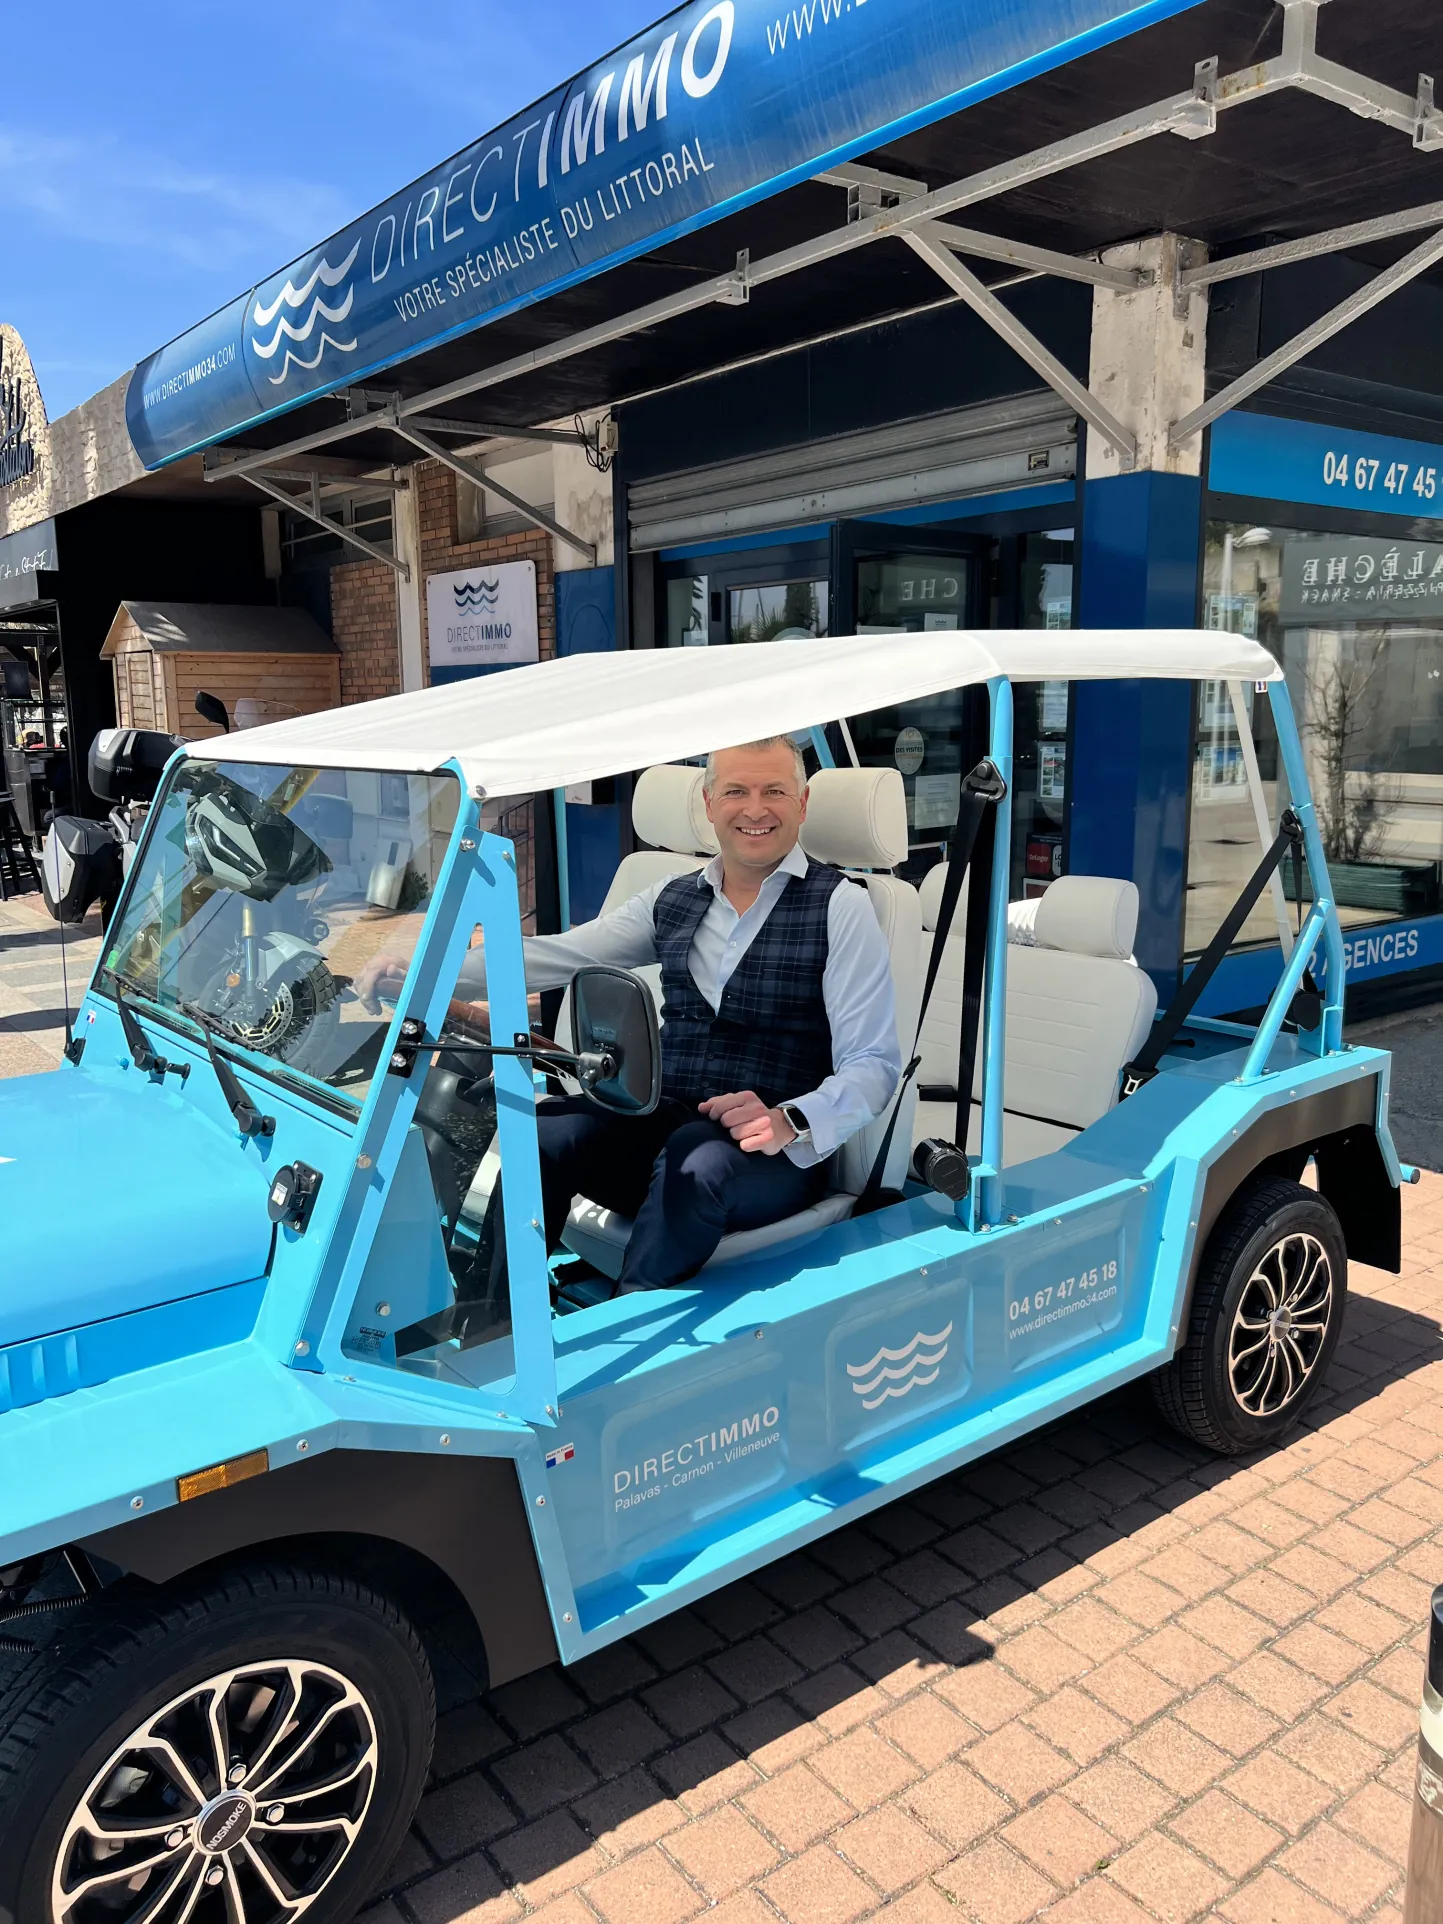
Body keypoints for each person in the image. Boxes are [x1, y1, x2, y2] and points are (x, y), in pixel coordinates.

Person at [361, 737, 900, 1292]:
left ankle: (625, 1332)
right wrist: (427, 969)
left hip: (770, 1158)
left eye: (775, 791)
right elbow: (562, 954)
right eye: (736, 791)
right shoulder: (673, 897)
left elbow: (874, 1064)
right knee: (543, 1134)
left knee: (696, 1162)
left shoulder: (841, 906)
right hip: (665, 1124)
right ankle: (492, 1325)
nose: (755, 808)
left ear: (803, 804)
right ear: (710, 803)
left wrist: (791, 1118)